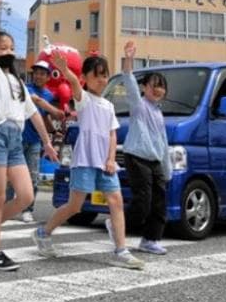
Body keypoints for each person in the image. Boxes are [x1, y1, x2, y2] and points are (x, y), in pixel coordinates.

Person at [33, 51, 144, 270]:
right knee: (75, 206)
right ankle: (43, 233)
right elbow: (74, 83)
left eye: (105, 75)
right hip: (84, 161)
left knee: (116, 202)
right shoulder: (83, 100)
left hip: (105, 164)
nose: (103, 79)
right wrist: (65, 71)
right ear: (86, 77)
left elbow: (113, 134)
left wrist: (111, 159)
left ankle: (121, 250)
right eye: (97, 75)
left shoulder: (109, 106)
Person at [0, 0, 58, 271]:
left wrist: (47, 142)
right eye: (2, 47)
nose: (8, 51)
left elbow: (34, 115)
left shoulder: (19, 84)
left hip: (15, 137)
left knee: (25, 196)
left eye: (11, 47)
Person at [120, 40, 171, 255]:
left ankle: (150, 240)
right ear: (144, 87)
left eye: (161, 86)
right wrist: (129, 58)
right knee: (143, 202)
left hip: (155, 160)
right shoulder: (139, 104)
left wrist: (166, 169)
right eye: (154, 85)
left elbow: (163, 143)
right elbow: (128, 80)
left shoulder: (159, 113)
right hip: (137, 157)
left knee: (159, 203)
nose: (158, 89)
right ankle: (117, 226)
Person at [6, 60, 64, 223]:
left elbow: (43, 117)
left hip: (35, 141)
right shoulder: (26, 89)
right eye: (36, 73)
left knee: (32, 177)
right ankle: (7, 207)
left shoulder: (49, 95)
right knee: (12, 176)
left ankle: (27, 209)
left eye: (42, 73)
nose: (38, 76)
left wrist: (54, 130)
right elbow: (36, 101)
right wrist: (56, 111)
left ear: (47, 77)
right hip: (17, 139)